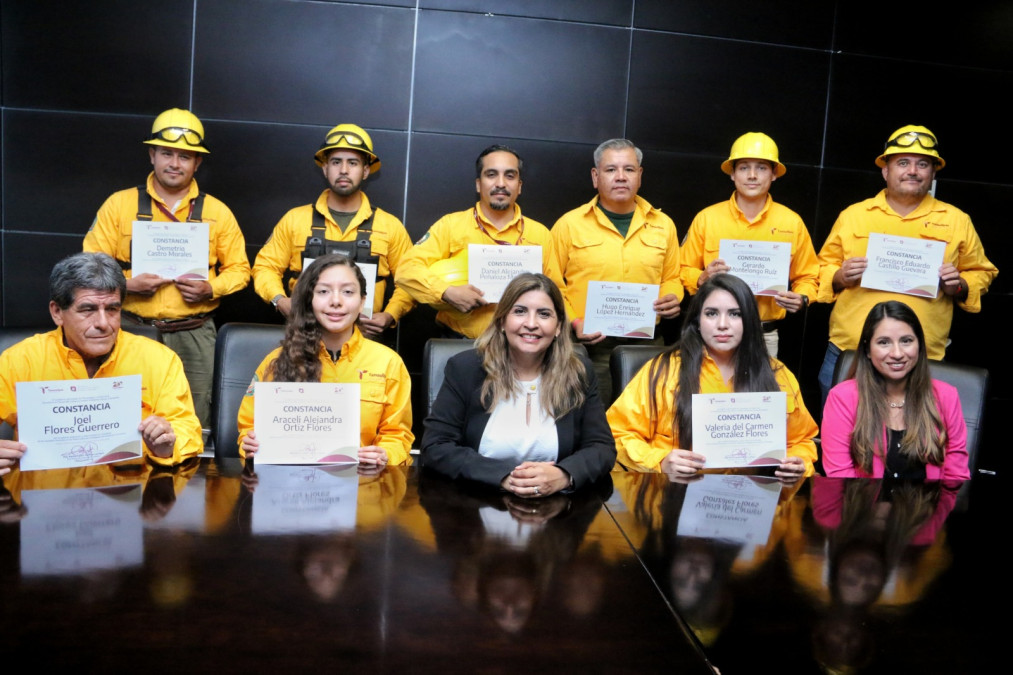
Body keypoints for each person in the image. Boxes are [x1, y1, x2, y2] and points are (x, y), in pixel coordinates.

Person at [83, 108, 251, 427]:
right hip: (129, 330)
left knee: (193, 419)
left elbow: (241, 270)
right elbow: (90, 265)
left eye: (185, 156)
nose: (175, 163)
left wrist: (210, 288)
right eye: (166, 153)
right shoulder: (119, 205)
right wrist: (126, 284)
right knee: (117, 418)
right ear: (152, 155)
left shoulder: (218, 212)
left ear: (197, 163)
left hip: (194, 334)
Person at [816, 124, 997, 400]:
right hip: (851, 351)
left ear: (933, 173)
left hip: (922, 358)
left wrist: (958, 285)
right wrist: (840, 276)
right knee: (840, 437)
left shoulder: (956, 220)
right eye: (903, 162)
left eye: (922, 164)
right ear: (886, 170)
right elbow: (822, 267)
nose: (912, 170)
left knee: (912, 440)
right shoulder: (854, 215)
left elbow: (982, 272)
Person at [0, 252, 203, 474]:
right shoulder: (19, 361)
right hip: (42, 499)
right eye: (88, 310)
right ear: (57, 312)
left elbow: (187, 431)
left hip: (131, 498)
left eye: (112, 309)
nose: (103, 324)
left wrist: (167, 445)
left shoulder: (159, 359)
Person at [420, 273, 616, 496]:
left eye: (544, 314)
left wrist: (564, 475)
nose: (531, 324)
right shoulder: (465, 369)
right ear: (502, 320)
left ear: (559, 326)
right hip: (476, 504)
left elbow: (601, 448)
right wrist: (503, 476)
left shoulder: (578, 371)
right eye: (520, 311)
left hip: (557, 512)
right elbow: (436, 447)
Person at [607, 274, 817, 478]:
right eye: (711, 313)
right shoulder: (663, 370)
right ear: (698, 320)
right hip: (675, 496)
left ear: (750, 321)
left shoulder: (776, 374)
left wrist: (798, 462)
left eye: (735, 314)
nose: (722, 324)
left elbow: (802, 441)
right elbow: (616, 434)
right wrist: (660, 460)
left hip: (752, 501)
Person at [238, 254, 413, 466]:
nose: (336, 301)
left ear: (362, 302)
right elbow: (249, 427)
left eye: (348, 292)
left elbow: (398, 435)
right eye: (323, 292)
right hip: (289, 487)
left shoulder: (388, 363)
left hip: (363, 487)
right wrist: (248, 444)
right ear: (309, 300)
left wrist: (385, 454)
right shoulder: (276, 360)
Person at [252, 123, 415, 341]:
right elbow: (264, 267)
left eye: (353, 163)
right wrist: (279, 300)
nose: (344, 170)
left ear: (366, 170)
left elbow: (411, 279)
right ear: (325, 168)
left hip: (364, 341)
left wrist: (390, 315)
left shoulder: (390, 226)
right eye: (336, 162)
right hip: (304, 337)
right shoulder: (294, 220)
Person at [550, 138, 683, 402]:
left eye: (629, 169)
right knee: (590, 420)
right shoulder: (569, 224)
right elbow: (551, 286)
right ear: (595, 176)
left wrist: (673, 296)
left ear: (640, 175)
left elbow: (672, 277)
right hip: (590, 347)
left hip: (647, 345)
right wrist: (575, 321)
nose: (620, 177)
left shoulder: (664, 225)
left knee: (651, 415)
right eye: (611, 170)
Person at [396, 145, 565, 339]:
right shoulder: (451, 225)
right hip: (459, 341)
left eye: (510, 176)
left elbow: (556, 293)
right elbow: (406, 269)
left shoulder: (540, 234)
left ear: (519, 185)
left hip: (524, 346)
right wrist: (446, 292)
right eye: (491, 174)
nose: (500, 183)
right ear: (478, 184)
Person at [680, 132, 818, 357]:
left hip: (764, 336)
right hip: (712, 332)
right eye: (744, 167)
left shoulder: (792, 223)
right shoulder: (707, 218)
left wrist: (802, 297)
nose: (752, 175)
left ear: (774, 174)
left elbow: (809, 277)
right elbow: (682, 268)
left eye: (762, 168)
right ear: (732, 174)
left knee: (760, 393)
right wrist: (701, 278)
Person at [821, 301, 969, 480]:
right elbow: (839, 476)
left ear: (920, 345)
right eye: (884, 343)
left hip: (929, 506)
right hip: (860, 506)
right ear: (868, 350)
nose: (897, 353)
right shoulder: (842, 398)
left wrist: (939, 509)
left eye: (906, 341)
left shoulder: (946, 395)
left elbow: (956, 476)